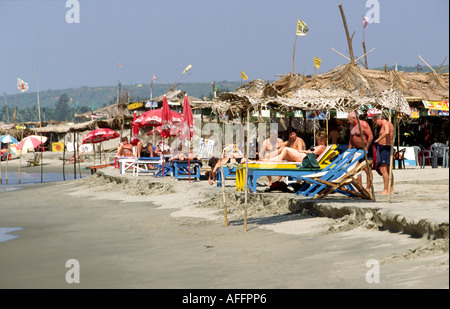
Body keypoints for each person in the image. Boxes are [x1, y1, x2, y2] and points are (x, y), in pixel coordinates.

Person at [347, 111, 374, 192]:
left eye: (349, 120)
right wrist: (349, 150)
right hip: (356, 150)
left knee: (367, 169)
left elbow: (370, 137)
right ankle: (360, 187)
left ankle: (368, 188)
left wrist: (366, 148)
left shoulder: (363, 125)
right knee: (357, 170)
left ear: (354, 118)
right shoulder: (351, 126)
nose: (348, 122)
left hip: (365, 148)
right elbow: (351, 139)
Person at [372, 113, 395, 194]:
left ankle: (386, 189)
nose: (376, 124)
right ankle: (391, 189)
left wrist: (378, 139)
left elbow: (387, 132)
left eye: (375, 122)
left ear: (378, 118)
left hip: (385, 148)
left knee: (383, 169)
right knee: (388, 169)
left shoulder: (385, 123)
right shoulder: (387, 123)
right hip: (386, 148)